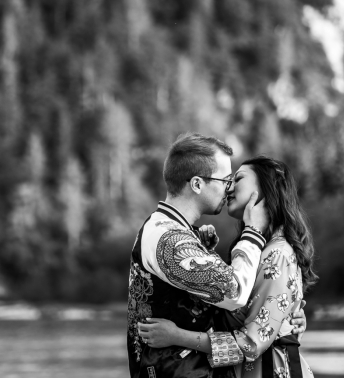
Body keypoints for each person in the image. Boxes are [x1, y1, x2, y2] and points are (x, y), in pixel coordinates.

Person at [127, 134, 307, 378]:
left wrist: (286, 316)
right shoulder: (170, 241)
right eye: (225, 179)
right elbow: (235, 293)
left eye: (235, 179)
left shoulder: (276, 254)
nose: (229, 186)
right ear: (198, 184)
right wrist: (252, 233)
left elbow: (251, 336)